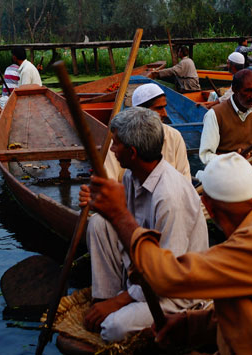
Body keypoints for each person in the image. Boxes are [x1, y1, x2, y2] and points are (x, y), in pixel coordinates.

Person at [82, 152, 252, 354]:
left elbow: (166, 278)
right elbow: (241, 310)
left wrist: (119, 215)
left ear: (206, 204)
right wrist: (190, 326)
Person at [80, 107, 209, 343]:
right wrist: (99, 205)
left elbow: (168, 277)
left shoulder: (169, 197)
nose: (111, 149)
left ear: (132, 152)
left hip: (175, 293)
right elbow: (126, 228)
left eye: (116, 144)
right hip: (144, 274)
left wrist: (121, 301)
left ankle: (115, 305)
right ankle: (104, 299)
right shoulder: (131, 176)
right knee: (98, 222)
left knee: (112, 328)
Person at [103, 84, 190, 183]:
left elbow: (185, 179)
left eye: (164, 107)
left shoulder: (174, 136)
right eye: (159, 108)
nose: (165, 114)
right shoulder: (118, 141)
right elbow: (108, 180)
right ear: (141, 113)